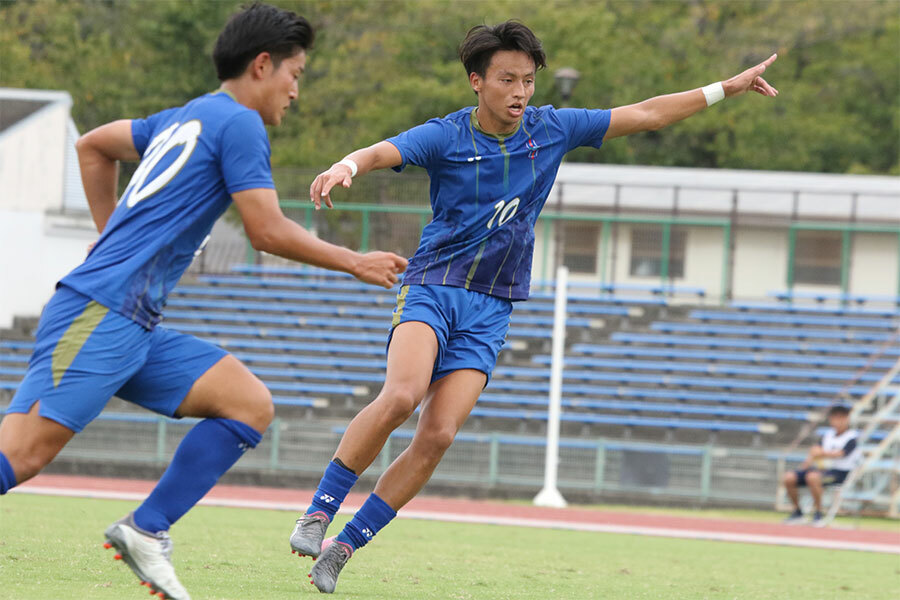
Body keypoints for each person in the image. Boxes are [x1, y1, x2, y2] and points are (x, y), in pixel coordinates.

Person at [289, 20, 779, 594]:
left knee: (440, 434)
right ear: (477, 82)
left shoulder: (552, 129)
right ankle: (319, 511)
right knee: (401, 394)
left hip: (493, 306)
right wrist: (348, 164)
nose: (520, 92)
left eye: (528, 80)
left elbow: (647, 113)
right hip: (432, 287)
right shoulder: (445, 137)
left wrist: (728, 86)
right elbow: (380, 151)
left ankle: (345, 546)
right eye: (506, 80)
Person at [0, 4, 406, 599]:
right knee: (23, 456)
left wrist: (110, 229)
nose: (296, 89)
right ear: (262, 65)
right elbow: (265, 230)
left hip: (130, 322)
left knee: (247, 403)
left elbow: (94, 145)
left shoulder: (188, 115)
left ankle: (147, 529)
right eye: (294, 73)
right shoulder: (241, 123)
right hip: (98, 312)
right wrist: (354, 259)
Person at [783, 404, 862, 525]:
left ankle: (818, 513)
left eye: (840, 418)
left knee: (813, 477)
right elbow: (815, 451)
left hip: (839, 473)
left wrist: (822, 453)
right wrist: (807, 463)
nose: (836, 421)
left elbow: (841, 453)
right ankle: (797, 512)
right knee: (789, 477)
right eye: (834, 417)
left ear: (846, 419)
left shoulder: (852, 437)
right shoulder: (828, 435)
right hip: (820, 470)